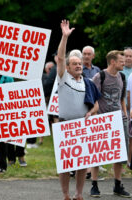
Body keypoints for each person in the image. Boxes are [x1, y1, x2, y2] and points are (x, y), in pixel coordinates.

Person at [56, 20, 100, 200]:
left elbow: (96, 103)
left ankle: (79, 194)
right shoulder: (63, 79)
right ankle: (66, 194)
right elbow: (60, 58)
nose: (79, 65)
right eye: (74, 63)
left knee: (83, 164)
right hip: (65, 125)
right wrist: (64, 37)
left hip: (83, 127)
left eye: (80, 63)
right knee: (65, 164)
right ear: (67, 67)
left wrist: (91, 112)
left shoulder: (88, 83)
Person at [90, 50, 131, 198]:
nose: (124, 63)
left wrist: (124, 115)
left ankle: (118, 185)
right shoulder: (99, 76)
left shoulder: (122, 76)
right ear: (112, 62)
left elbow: (121, 99)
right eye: (121, 61)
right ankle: (94, 185)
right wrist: (94, 118)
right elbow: (92, 99)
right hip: (102, 121)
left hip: (119, 120)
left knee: (119, 154)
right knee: (97, 154)